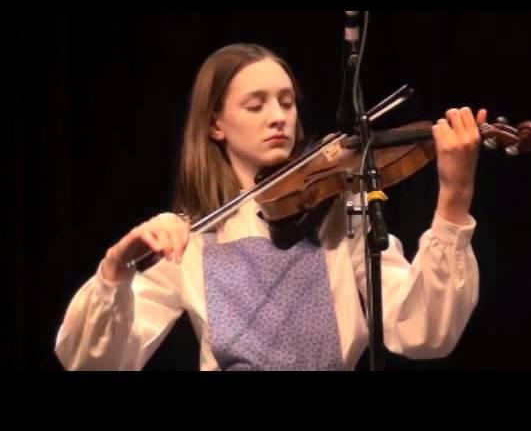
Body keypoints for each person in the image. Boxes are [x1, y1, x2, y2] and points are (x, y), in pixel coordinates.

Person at [54, 43, 487, 371]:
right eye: (256, 104)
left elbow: (425, 332)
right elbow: (93, 361)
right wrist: (116, 266)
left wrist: (453, 197)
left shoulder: (340, 213)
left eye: (287, 101)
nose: (278, 116)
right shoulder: (193, 238)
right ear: (215, 125)